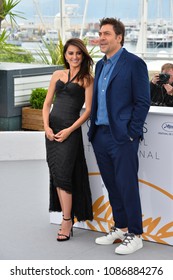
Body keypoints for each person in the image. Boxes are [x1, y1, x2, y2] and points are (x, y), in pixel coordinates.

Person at [88, 17, 150, 254]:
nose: (101, 38)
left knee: (127, 185)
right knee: (112, 186)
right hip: (100, 135)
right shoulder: (100, 64)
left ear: (119, 37)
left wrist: (132, 133)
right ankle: (121, 227)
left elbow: (142, 102)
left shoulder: (134, 64)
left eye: (106, 34)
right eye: (100, 33)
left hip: (122, 137)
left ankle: (136, 234)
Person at [43, 38, 94, 242]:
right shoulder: (57, 74)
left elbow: (88, 111)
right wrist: (46, 127)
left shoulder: (87, 79)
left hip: (69, 132)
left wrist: (69, 130)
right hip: (51, 131)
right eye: (71, 53)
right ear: (65, 55)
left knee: (64, 175)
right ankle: (65, 216)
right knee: (56, 173)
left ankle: (66, 220)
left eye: (78, 53)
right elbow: (47, 104)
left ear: (83, 55)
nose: (74, 57)